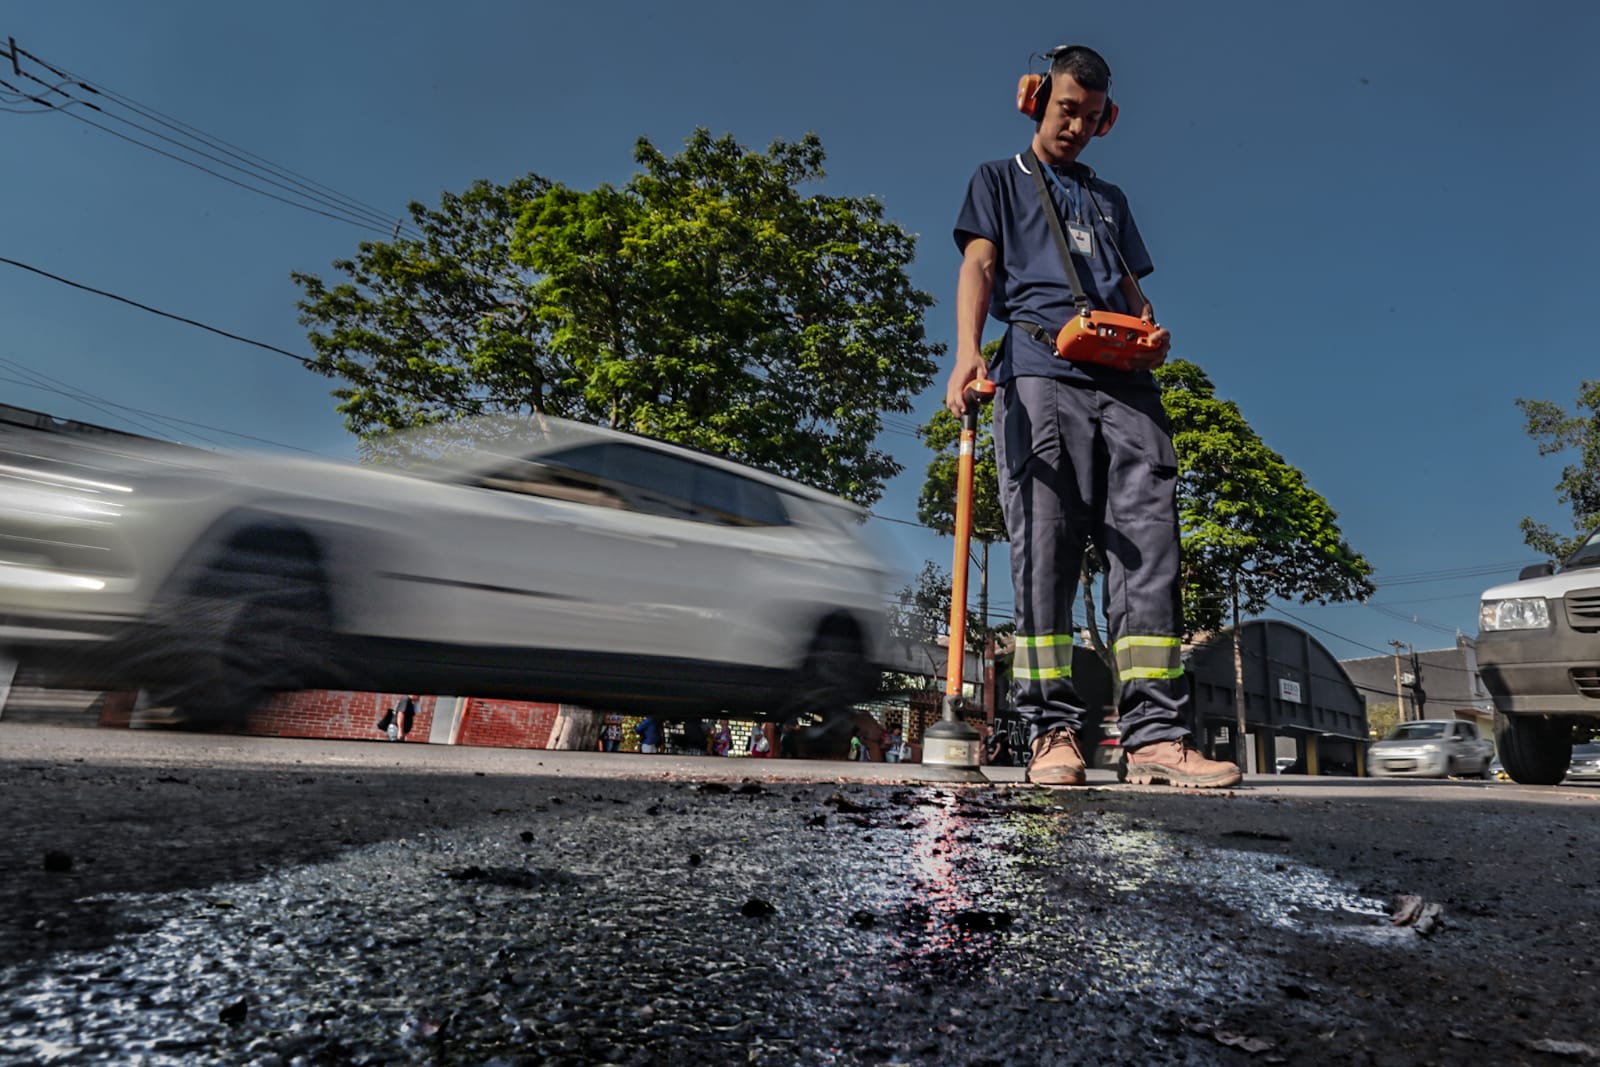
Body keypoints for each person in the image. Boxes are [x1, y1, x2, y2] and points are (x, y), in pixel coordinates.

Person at [947, 43, 1240, 789]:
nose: (1073, 125)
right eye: (1064, 109)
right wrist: (967, 353)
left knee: (1150, 549)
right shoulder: (999, 180)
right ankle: (1052, 733)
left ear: (1107, 120)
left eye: (1088, 115)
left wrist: (1152, 330)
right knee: (1047, 548)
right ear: (1038, 99)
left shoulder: (1110, 200)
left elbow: (1133, 292)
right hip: (1042, 373)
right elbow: (979, 264)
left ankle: (1156, 740)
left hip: (1128, 385)